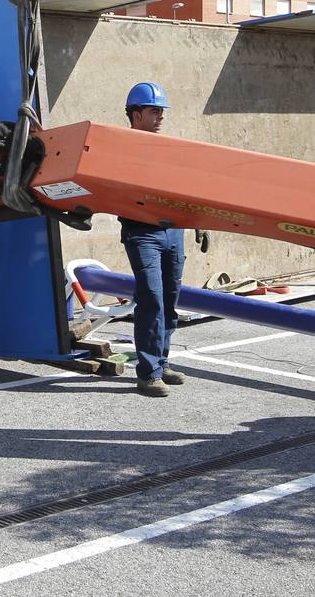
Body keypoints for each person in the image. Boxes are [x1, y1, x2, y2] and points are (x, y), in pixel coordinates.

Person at [120, 82, 187, 398]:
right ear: (135, 114)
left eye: (162, 111)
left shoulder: (169, 148)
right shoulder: (120, 148)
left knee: (170, 298)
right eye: (154, 110)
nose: (161, 116)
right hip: (142, 233)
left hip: (173, 232)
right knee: (152, 299)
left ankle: (162, 362)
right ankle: (148, 374)